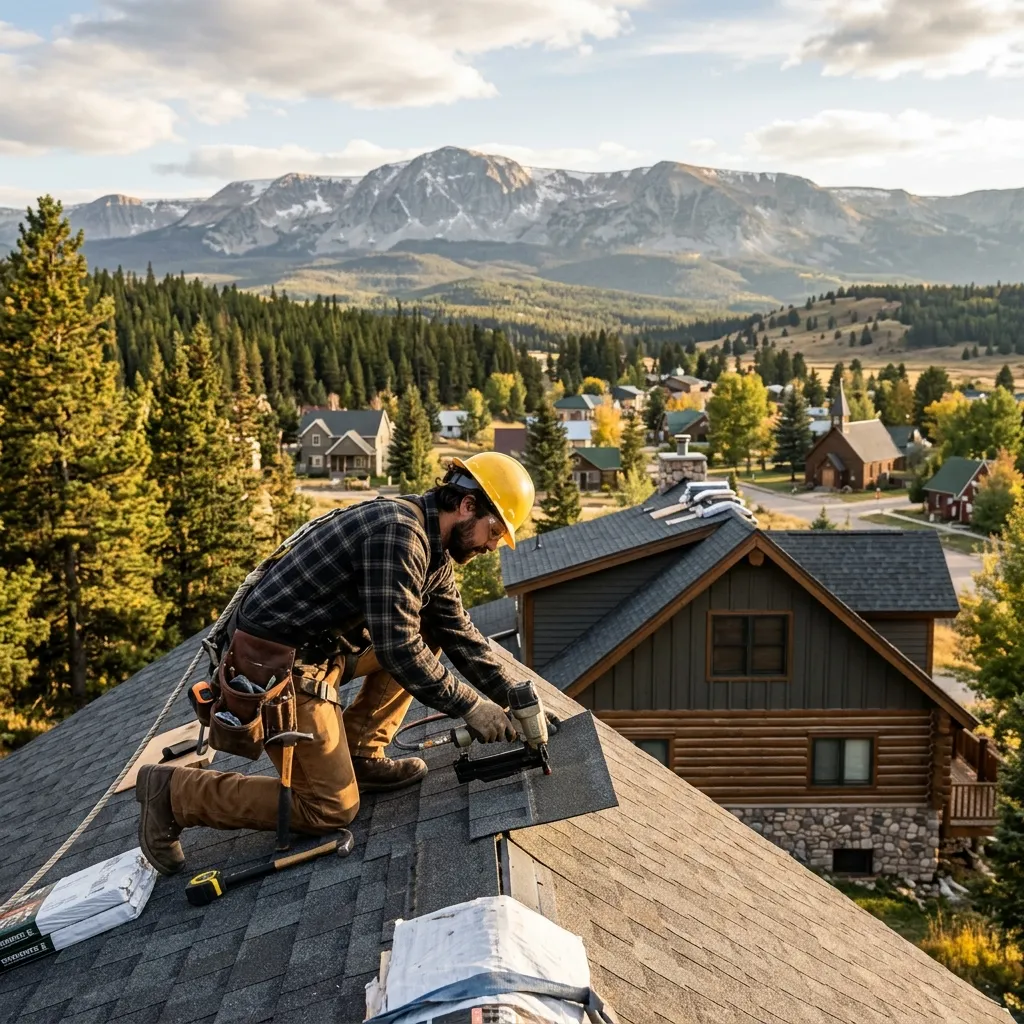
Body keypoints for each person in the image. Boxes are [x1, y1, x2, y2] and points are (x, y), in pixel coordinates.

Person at [136, 452, 536, 876]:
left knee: (432, 628)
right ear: (467, 505)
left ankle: (360, 752)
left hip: (321, 651)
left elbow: (458, 631)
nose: (492, 545)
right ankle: (174, 794)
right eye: (494, 531)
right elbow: (399, 647)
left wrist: (516, 698)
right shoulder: (399, 534)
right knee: (330, 809)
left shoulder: (432, 548)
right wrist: (471, 707)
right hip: (278, 668)